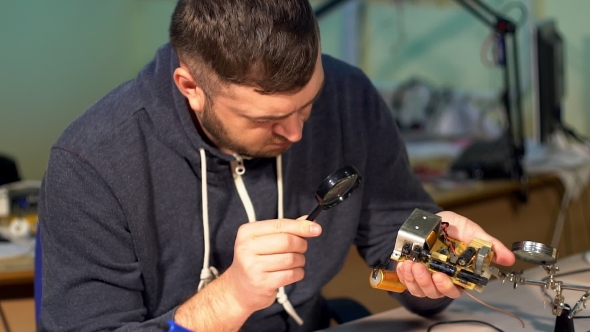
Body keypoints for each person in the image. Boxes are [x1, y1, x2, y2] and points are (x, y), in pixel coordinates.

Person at [37, 0, 515, 331]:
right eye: (267, 119)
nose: (297, 134)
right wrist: (231, 298)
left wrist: (430, 256)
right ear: (190, 86)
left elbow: (393, 229)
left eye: (308, 104)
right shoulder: (91, 165)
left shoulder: (349, 97)